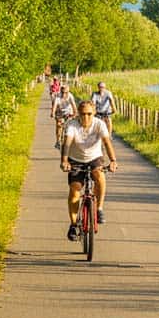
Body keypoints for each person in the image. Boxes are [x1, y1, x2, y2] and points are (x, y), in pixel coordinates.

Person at [60, 100, 118, 240]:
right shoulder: (72, 124)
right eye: (83, 114)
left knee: (99, 176)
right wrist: (64, 161)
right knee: (75, 190)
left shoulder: (99, 124)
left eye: (89, 114)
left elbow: (106, 142)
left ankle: (99, 209)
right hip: (76, 159)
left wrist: (113, 161)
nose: (86, 117)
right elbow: (67, 143)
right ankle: (74, 225)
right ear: (78, 114)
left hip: (94, 157)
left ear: (94, 113)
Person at [51, 84, 77, 149]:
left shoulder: (70, 96)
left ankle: (71, 140)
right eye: (63, 92)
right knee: (59, 125)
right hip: (59, 112)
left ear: (68, 92)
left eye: (66, 92)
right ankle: (58, 141)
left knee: (71, 126)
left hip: (68, 112)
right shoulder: (58, 96)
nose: (64, 94)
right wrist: (53, 113)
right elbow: (54, 106)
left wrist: (75, 114)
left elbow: (74, 106)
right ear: (60, 91)